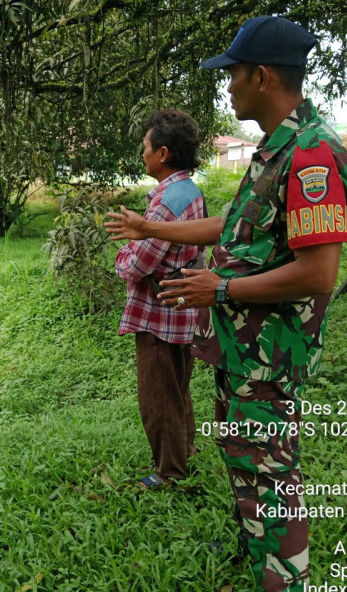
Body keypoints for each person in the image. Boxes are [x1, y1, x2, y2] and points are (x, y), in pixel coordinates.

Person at [105, 16, 347, 592]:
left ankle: (285, 583)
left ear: (262, 76)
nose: (229, 86)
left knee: (271, 470)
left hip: (268, 350)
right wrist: (147, 224)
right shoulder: (274, 150)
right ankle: (254, 545)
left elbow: (318, 273)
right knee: (243, 452)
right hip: (242, 346)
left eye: (234, 74)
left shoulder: (312, 155)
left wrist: (218, 288)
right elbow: (236, 224)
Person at [115, 109, 207, 490]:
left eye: (146, 147)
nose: (143, 154)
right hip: (180, 310)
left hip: (158, 314)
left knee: (158, 397)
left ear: (163, 153)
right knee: (177, 388)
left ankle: (169, 473)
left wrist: (123, 254)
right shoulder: (190, 191)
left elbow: (136, 263)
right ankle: (185, 452)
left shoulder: (168, 201)